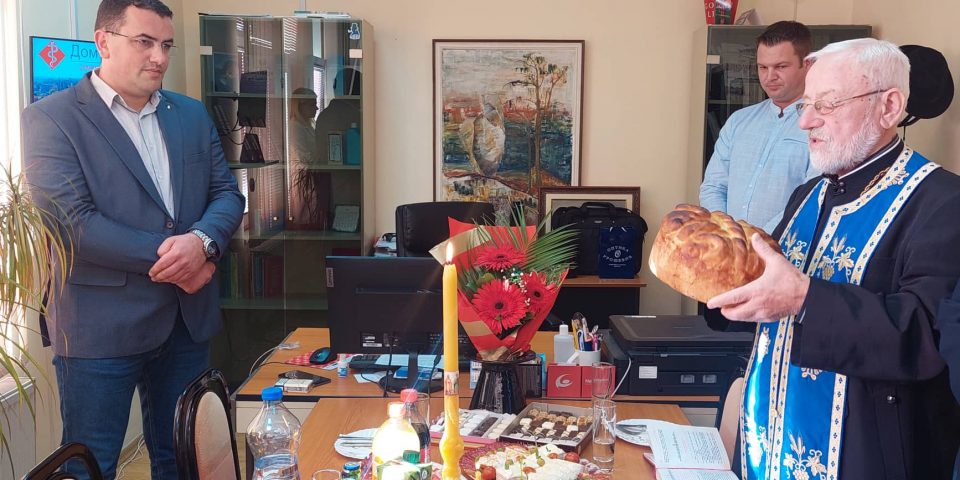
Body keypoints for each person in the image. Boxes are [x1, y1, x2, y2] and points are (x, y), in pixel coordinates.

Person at [707, 38, 960, 479]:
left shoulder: (942, 201)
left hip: (862, 457)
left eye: (825, 105)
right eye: (807, 105)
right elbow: (766, 292)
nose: (806, 121)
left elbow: (926, 336)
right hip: (765, 446)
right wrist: (713, 276)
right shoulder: (808, 194)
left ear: (889, 107)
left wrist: (805, 299)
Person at [21, 0, 244, 478]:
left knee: (184, 460)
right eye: (144, 42)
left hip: (185, 322)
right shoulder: (51, 118)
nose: (159, 57)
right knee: (91, 465)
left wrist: (202, 241)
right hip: (100, 327)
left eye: (166, 45)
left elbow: (227, 194)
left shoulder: (190, 115)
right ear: (103, 42)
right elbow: (72, 223)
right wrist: (184, 258)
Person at [700, 21, 819, 233]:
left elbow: (812, 197)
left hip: (786, 247)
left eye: (781, 67)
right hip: (732, 246)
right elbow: (713, 186)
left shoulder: (822, 124)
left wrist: (757, 240)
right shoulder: (739, 121)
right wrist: (728, 233)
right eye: (763, 67)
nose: (769, 76)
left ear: (808, 64)